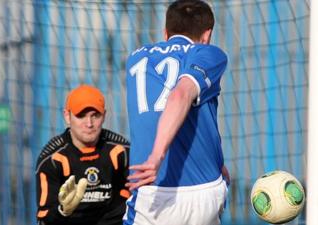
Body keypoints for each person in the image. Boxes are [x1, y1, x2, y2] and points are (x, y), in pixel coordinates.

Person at [124, 0, 230, 224]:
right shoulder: (209, 54)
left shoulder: (137, 57)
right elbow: (183, 97)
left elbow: (176, 98)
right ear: (207, 34)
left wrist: (155, 156)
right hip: (205, 191)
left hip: (153, 190)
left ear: (165, 32)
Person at [35, 84, 130, 225]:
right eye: (81, 116)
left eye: (95, 115)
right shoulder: (53, 159)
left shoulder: (121, 151)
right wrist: (63, 210)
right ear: (67, 116)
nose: (89, 123)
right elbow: (44, 218)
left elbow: (139, 198)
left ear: (104, 116)